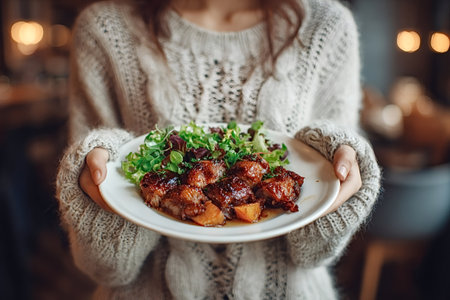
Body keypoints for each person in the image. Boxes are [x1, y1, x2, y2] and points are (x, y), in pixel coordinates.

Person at [56, 0, 381, 298]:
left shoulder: (326, 26)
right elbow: (106, 267)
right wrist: (110, 169)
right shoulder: (106, 29)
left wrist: (333, 152)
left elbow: (312, 253)